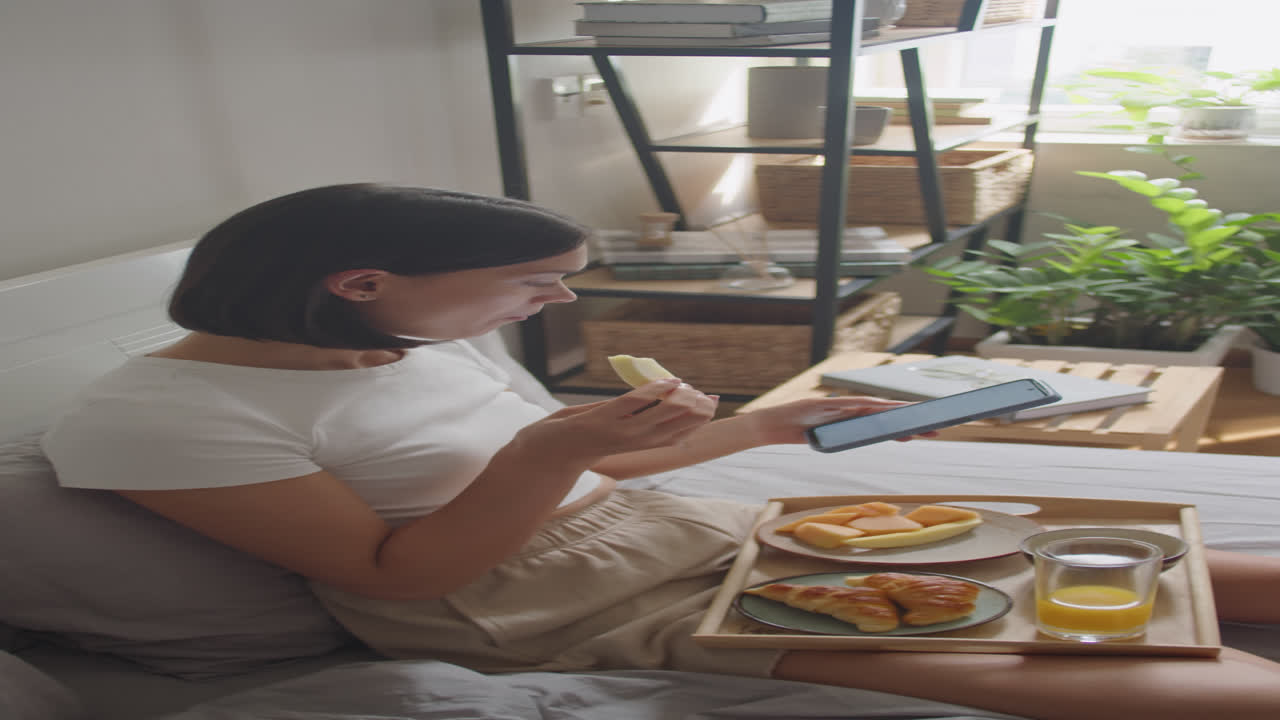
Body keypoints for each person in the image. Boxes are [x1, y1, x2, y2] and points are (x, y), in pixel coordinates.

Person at [42, 184, 1280, 720]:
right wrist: (545, 454)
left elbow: (583, 477)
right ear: (361, 280)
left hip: (661, 535)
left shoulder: (398, 342)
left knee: (1144, 557)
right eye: (528, 284)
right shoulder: (156, 417)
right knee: (1037, 642)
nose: (547, 306)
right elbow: (396, 573)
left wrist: (757, 431)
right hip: (530, 605)